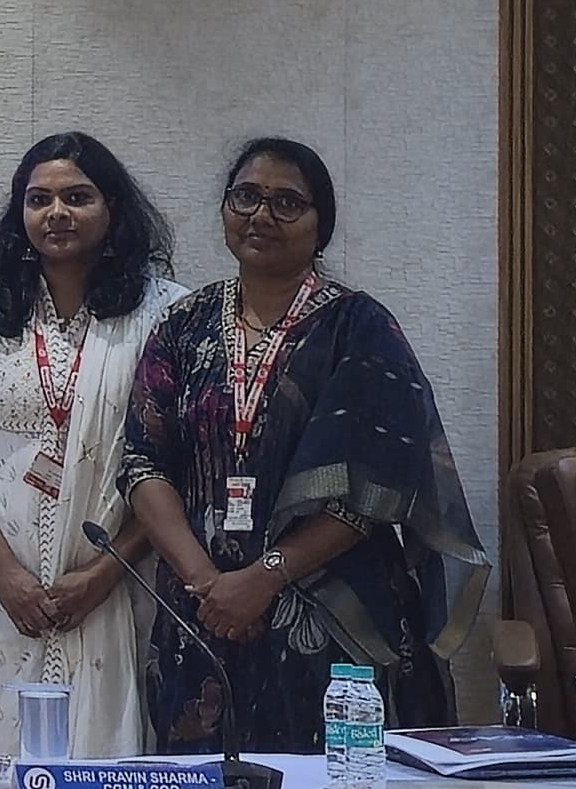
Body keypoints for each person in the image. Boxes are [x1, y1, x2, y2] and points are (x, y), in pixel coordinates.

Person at [115, 138, 483, 753]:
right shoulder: (182, 325)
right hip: (201, 618)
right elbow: (143, 462)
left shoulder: (359, 328)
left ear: (321, 226)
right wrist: (207, 582)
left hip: (333, 618)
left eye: (287, 203)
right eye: (246, 197)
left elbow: (379, 486)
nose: (262, 215)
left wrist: (262, 579)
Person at [0, 131, 183, 761]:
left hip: (120, 579)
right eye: (39, 199)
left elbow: (177, 463)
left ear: (112, 207)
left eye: (78, 197)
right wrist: (4, 573)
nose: (57, 213)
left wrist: (105, 573)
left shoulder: (165, 312)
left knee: (108, 771)